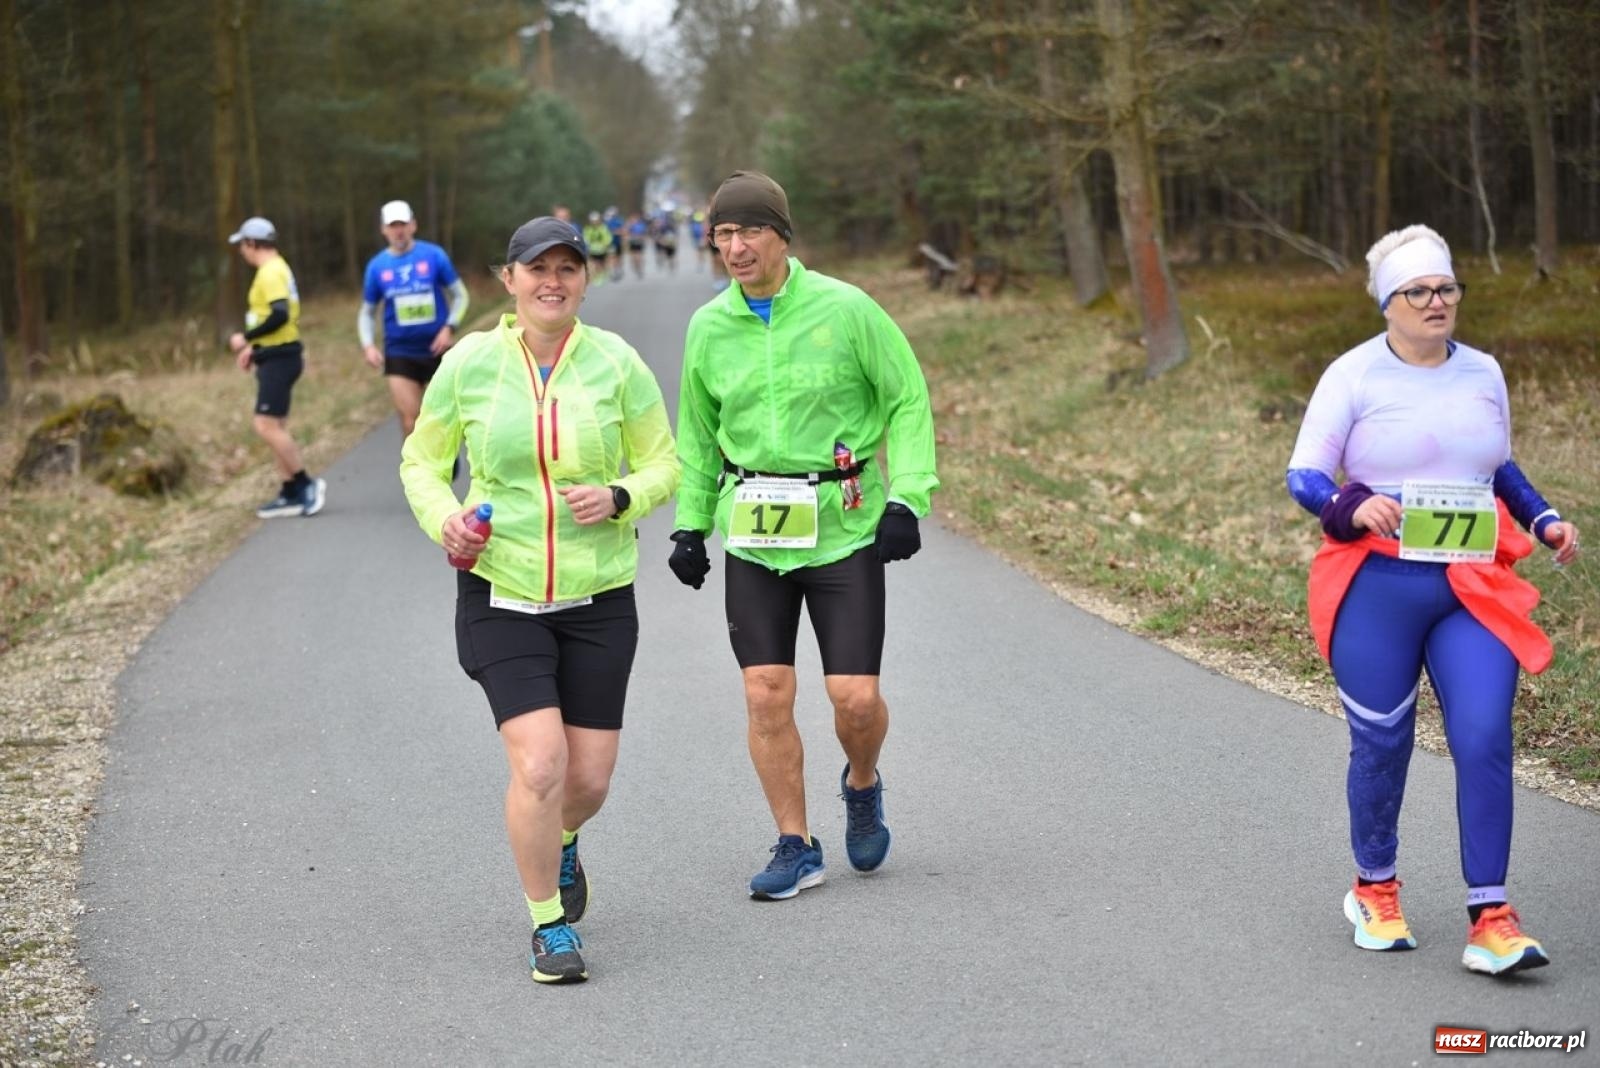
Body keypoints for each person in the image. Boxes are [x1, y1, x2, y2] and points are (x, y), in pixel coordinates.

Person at [1286, 224, 1581, 977]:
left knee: (1483, 736)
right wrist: (1351, 504)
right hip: (1377, 586)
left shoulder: (1482, 372)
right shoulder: (1352, 375)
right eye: (1417, 291)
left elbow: (1498, 466)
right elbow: (1304, 476)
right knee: (1383, 743)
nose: (1435, 302)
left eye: (1446, 288)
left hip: (1468, 586)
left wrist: (1542, 519)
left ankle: (1491, 917)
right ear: (1389, 303)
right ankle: (1375, 888)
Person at [399, 216, 680, 984]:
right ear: (509, 279)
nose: (552, 280)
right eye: (537, 268)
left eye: (567, 268)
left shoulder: (617, 363)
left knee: (586, 783)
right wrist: (446, 519)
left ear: (585, 280)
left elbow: (666, 463)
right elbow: (421, 463)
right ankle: (548, 927)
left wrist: (622, 493)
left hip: (598, 597)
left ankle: (563, 844)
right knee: (541, 764)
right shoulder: (468, 365)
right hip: (502, 590)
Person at [667, 171, 939, 900]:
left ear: (781, 235)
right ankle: (796, 843)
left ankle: (861, 781)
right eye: (722, 234)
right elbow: (696, 433)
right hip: (754, 532)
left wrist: (907, 497)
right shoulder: (709, 327)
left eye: (749, 230)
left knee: (854, 698)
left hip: (842, 525)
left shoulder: (845, 310)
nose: (735, 246)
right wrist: (691, 525)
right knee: (765, 692)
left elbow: (906, 398)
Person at [226, 216, 326, 518]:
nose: (242, 251)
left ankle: (305, 483)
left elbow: (279, 315)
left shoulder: (270, 272)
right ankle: (289, 492)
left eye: (243, 245)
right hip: (276, 354)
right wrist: (256, 350)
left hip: (281, 357)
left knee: (265, 425)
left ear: (252, 243)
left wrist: (246, 338)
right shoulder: (276, 268)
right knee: (275, 426)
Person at [358, 200, 470, 438]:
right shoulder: (377, 266)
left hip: (437, 348)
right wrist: (368, 345)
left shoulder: (433, 255)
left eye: (403, 224)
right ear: (384, 230)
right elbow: (367, 312)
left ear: (413, 225)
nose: (398, 230)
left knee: (444, 421)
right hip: (400, 351)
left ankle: (445, 459)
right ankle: (417, 474)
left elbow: (461, 296)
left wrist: (449, 328)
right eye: (393, 225)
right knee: (412, 422)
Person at [582, 211, 613, 279]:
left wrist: (606, 244)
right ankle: (598, 276)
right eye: (593, 221)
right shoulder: (588, 229)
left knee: (602, 263)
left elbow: (608, 237)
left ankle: (603, 273)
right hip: (593, 250)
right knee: (595, 263)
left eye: (596, 221)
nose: (594, 222)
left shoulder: (603, 228)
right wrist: (586, 244)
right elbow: (585, 238)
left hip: (602, 250)